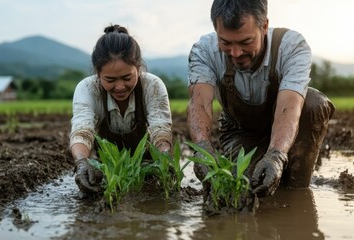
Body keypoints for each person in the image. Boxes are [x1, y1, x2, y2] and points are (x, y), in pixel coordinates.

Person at [187, 0, 335, 199]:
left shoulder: (291, 46)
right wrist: (203, 150)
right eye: (226, 43)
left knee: (314, 103)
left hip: (288, 124)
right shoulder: (204, 51)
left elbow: (290, 107)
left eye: (246, 42)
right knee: (248, 189)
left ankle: (298, 192)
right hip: (240, 130)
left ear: (264, 26)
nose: (236, 53)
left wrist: (276, 155)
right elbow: (200, 103)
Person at [70, 24, 172, 196]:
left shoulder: (152, 85)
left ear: (138, 68)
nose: (119, 87)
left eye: (127, 78)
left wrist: (164, 160)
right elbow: (82, 130)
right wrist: (81, 162)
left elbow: (160, 129)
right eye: (110, 80)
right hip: (108, 170)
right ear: (98, 73)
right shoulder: (88, 88)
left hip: (146, 168)